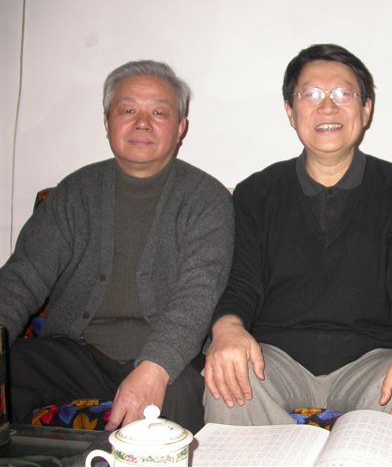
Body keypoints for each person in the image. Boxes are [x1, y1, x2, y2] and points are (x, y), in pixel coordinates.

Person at [202, 44, 392, 432]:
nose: (328, 106)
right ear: (290, 111)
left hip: (373, 360)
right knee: (230, 380)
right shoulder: (256, 193)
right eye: (311, 94)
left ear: (366, 110)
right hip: (273, 358)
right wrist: (228, 328)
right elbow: (238, 280)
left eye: (343, 93)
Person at [0, 60, 234, 434]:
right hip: (77, 355)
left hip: (170, 361)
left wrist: (155, 367)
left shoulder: (206, 199)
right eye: (128, 110)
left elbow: (198, 294)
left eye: (159, 112)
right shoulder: (74, 193)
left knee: (186, 393)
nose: (142, 123)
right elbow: (22, 278)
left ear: (180, 128)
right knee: (11, 367)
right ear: (107, 122)